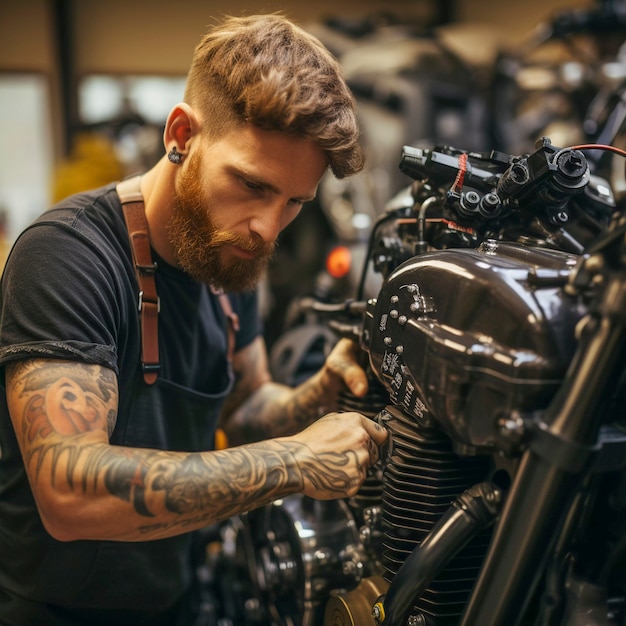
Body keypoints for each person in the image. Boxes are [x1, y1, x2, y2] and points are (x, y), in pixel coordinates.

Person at [0, 13, 388, 626]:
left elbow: (246, 405)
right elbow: (68, 492)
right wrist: (295, 461)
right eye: (252, 184)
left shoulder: (229, 259)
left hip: (177, 600)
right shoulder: (67, 255)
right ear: (181, 133)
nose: (267, 228)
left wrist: (321, 395)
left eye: (293, 203)